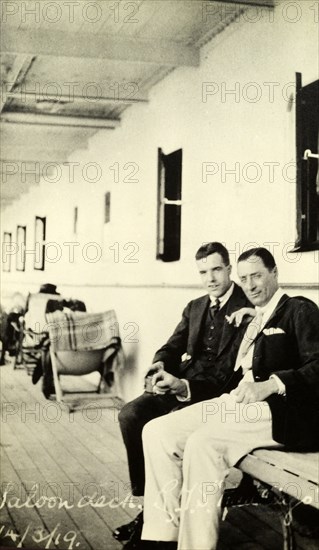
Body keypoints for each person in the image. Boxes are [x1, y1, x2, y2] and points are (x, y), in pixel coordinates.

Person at [139, 247, 319, 550]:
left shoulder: (299, 310)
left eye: (257, 276)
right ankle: (161, 538)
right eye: (244, 278)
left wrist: (273, 384)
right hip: (239, 402)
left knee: (203, 444)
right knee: (157, 431)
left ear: (275, 274)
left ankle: (196, 546)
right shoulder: (257, 317)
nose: (249, 285)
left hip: (280, 411)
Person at [114, 242, 253, 548]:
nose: (211, 278)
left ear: (230, 270)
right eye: (203, 272)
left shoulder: (249, 306)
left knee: (167, 434)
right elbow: (173, 345)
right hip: (184, 383)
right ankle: (149, 506)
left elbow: (231, 374)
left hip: (217, 393)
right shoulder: (195, 307)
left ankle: (155, 520)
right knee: (131, 414)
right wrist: (161, 364)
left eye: (217, 269)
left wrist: (184, 387)